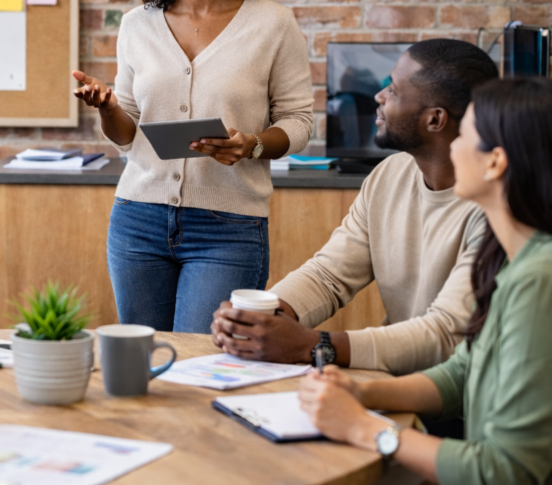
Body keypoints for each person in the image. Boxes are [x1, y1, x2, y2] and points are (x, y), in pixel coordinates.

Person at [71, 0, 313, 333]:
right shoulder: (137, 25)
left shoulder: (273, 24)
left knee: (203, 366)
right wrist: (107, 108)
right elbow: (128, 135)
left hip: (228, 227)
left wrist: (253, 145)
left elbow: (299, 120)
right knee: (144, 364)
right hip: (137, 220)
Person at [299, 77, 552, 485]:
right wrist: (361, 394)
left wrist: (365, 429)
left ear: (495, 163)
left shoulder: (538, 282)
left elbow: (504, 474)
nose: (452, 146)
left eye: (466, 135)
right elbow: (461, 374)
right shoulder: (515, 259)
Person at [212, 39, 499, 376]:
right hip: (394, 380)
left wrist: (312, 345)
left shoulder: (496, 208)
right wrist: (264, 316)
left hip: (458, 397)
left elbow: (444, 333)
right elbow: (329, 274)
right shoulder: (389, 175)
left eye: (392, 90)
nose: (378, 97)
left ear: (434, 120)